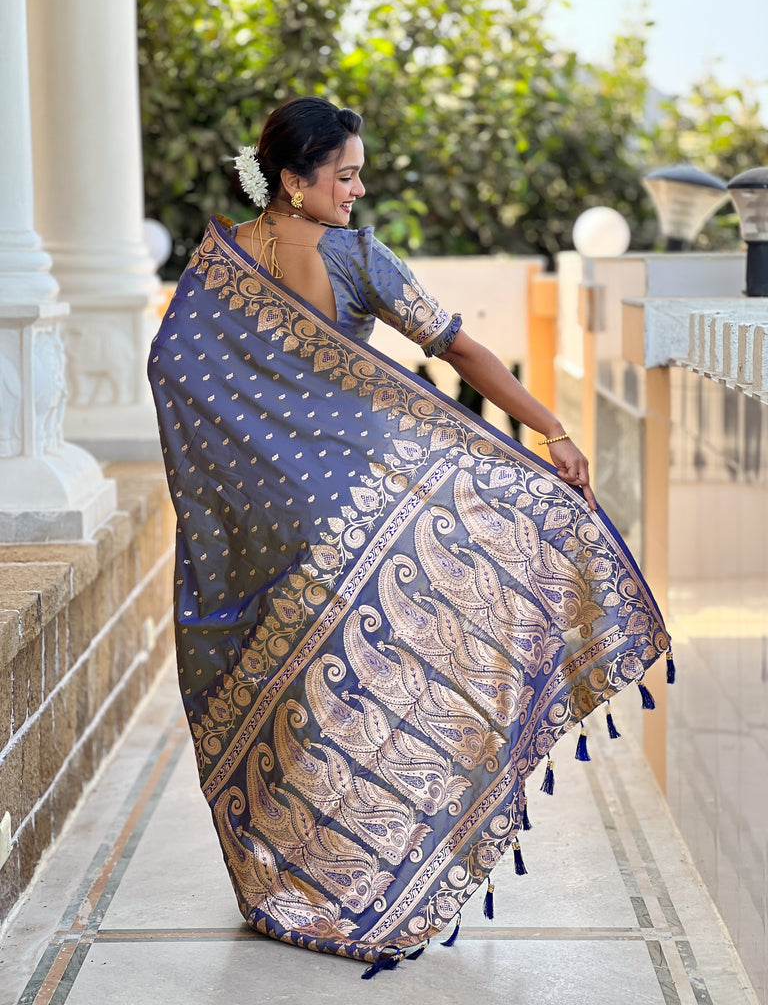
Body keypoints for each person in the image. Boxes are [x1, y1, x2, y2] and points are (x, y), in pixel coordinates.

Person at [148, 96, 670, 973]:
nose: (357, 189)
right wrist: (552, 430)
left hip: (267, 526)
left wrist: (248, 468)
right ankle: (354, 881)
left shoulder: (217, 259)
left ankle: (281, 885)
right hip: (352, 512)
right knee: (367, 691)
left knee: (296, 707)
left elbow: (171, 364)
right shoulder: (355, 256)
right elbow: (459, 351)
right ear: (292, 179)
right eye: (343, 174)